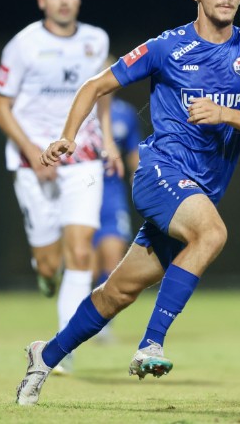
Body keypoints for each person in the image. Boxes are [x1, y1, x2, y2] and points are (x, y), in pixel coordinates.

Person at [15, 0, 240, 406]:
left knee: (118, 291)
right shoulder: (165, 48)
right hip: (160, 171)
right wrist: (67, 136)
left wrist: (223, 114)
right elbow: (94, 86)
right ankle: (151, 344)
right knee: (213, 232)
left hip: (200, 190)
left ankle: (46, 354)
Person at [0, 0, 120, 374]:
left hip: (82, 158)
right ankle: (44, 274)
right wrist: (30, 151)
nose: (65, 0)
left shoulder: (96, 40)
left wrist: (110, 140)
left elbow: (99, 95)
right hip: (33, 164)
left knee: (81, 250)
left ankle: (61, 350)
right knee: (50, 263)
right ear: (43, 1)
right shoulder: (23, 45)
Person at [91, 91, 143, 342]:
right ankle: (75, 319)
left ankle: (103, 325)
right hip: (82, 191)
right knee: (86, 265)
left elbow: (133, 152)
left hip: (112, 194)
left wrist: (139, 176)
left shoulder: (125, 113)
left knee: (112, 260)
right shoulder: (79, 111)